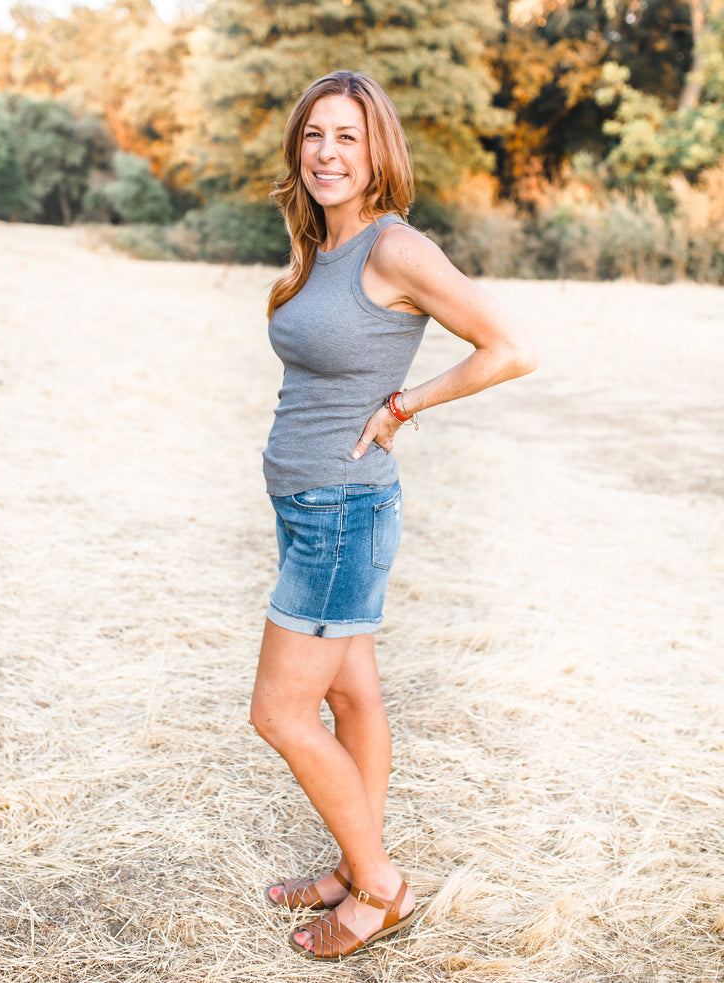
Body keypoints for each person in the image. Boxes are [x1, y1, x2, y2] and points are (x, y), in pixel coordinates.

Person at [250, 70, 537, 961]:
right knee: (351, 692)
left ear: (378, 152)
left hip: (343, 509)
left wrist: (404, 405)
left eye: (348, 137)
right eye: (314, 136)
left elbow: (509, 347)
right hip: (310, 504)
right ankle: (351, 863)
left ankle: (380, 886)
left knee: (279, 711)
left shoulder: (394, 248)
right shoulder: (322, 246)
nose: (328, 153)